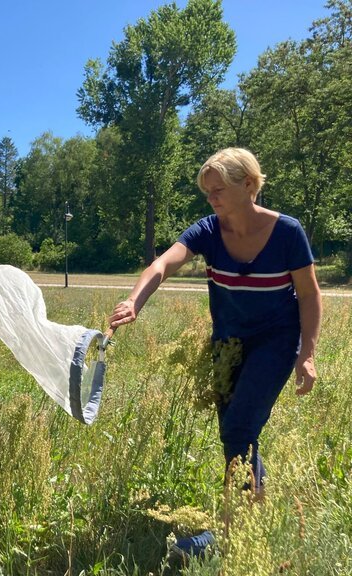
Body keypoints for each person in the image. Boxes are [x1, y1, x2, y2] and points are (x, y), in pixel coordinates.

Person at [108, 148, 321, 557]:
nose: (212, 198)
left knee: (240, 427)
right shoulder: (207, 230)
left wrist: (306, 354)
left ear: (249, 186)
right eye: (207, 192)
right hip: (227, 344)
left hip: (275, 341)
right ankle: (252, 519)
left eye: (219, 189)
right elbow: (162, 265)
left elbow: (310, 296)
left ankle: (229, 534)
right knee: (239, 434)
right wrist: (134, 301)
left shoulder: (288, 233)